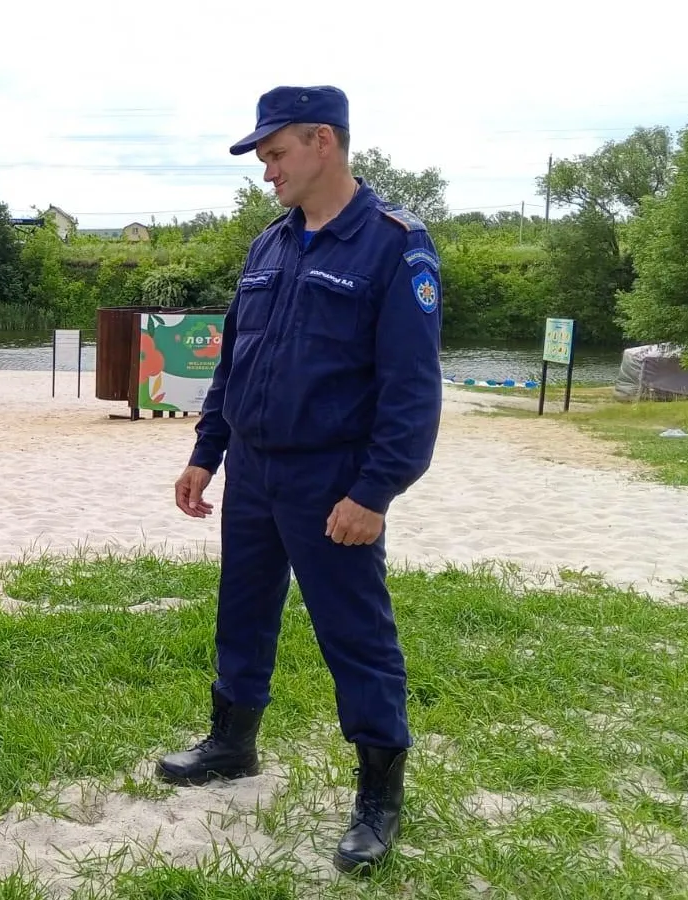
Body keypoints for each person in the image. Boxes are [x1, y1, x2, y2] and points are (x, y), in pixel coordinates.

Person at [158, 85, 443, 875]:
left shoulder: (394, 248)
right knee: (242, 609)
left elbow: (412, 395)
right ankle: (232, 742)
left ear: (325, 141)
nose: (266, 171)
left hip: (333, 483)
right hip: (252, 469)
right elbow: (235, 362)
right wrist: (205, 453)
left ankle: (379, 795)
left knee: (355, 635)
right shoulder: (268, 247)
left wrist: (374, 493)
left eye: (275, 154)